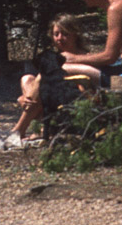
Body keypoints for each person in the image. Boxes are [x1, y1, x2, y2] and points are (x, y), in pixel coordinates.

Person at [8, 14, 96, 148]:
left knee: (38, 82)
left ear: (75, 34)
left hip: (71, 102)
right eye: (56, 34)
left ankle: (19, 130)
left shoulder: (84, 57)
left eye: (65, 34)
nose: (60, 38)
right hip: (49, 102)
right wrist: (27, 97)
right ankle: (41, 127)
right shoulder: (54, 57)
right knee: (27, 79)